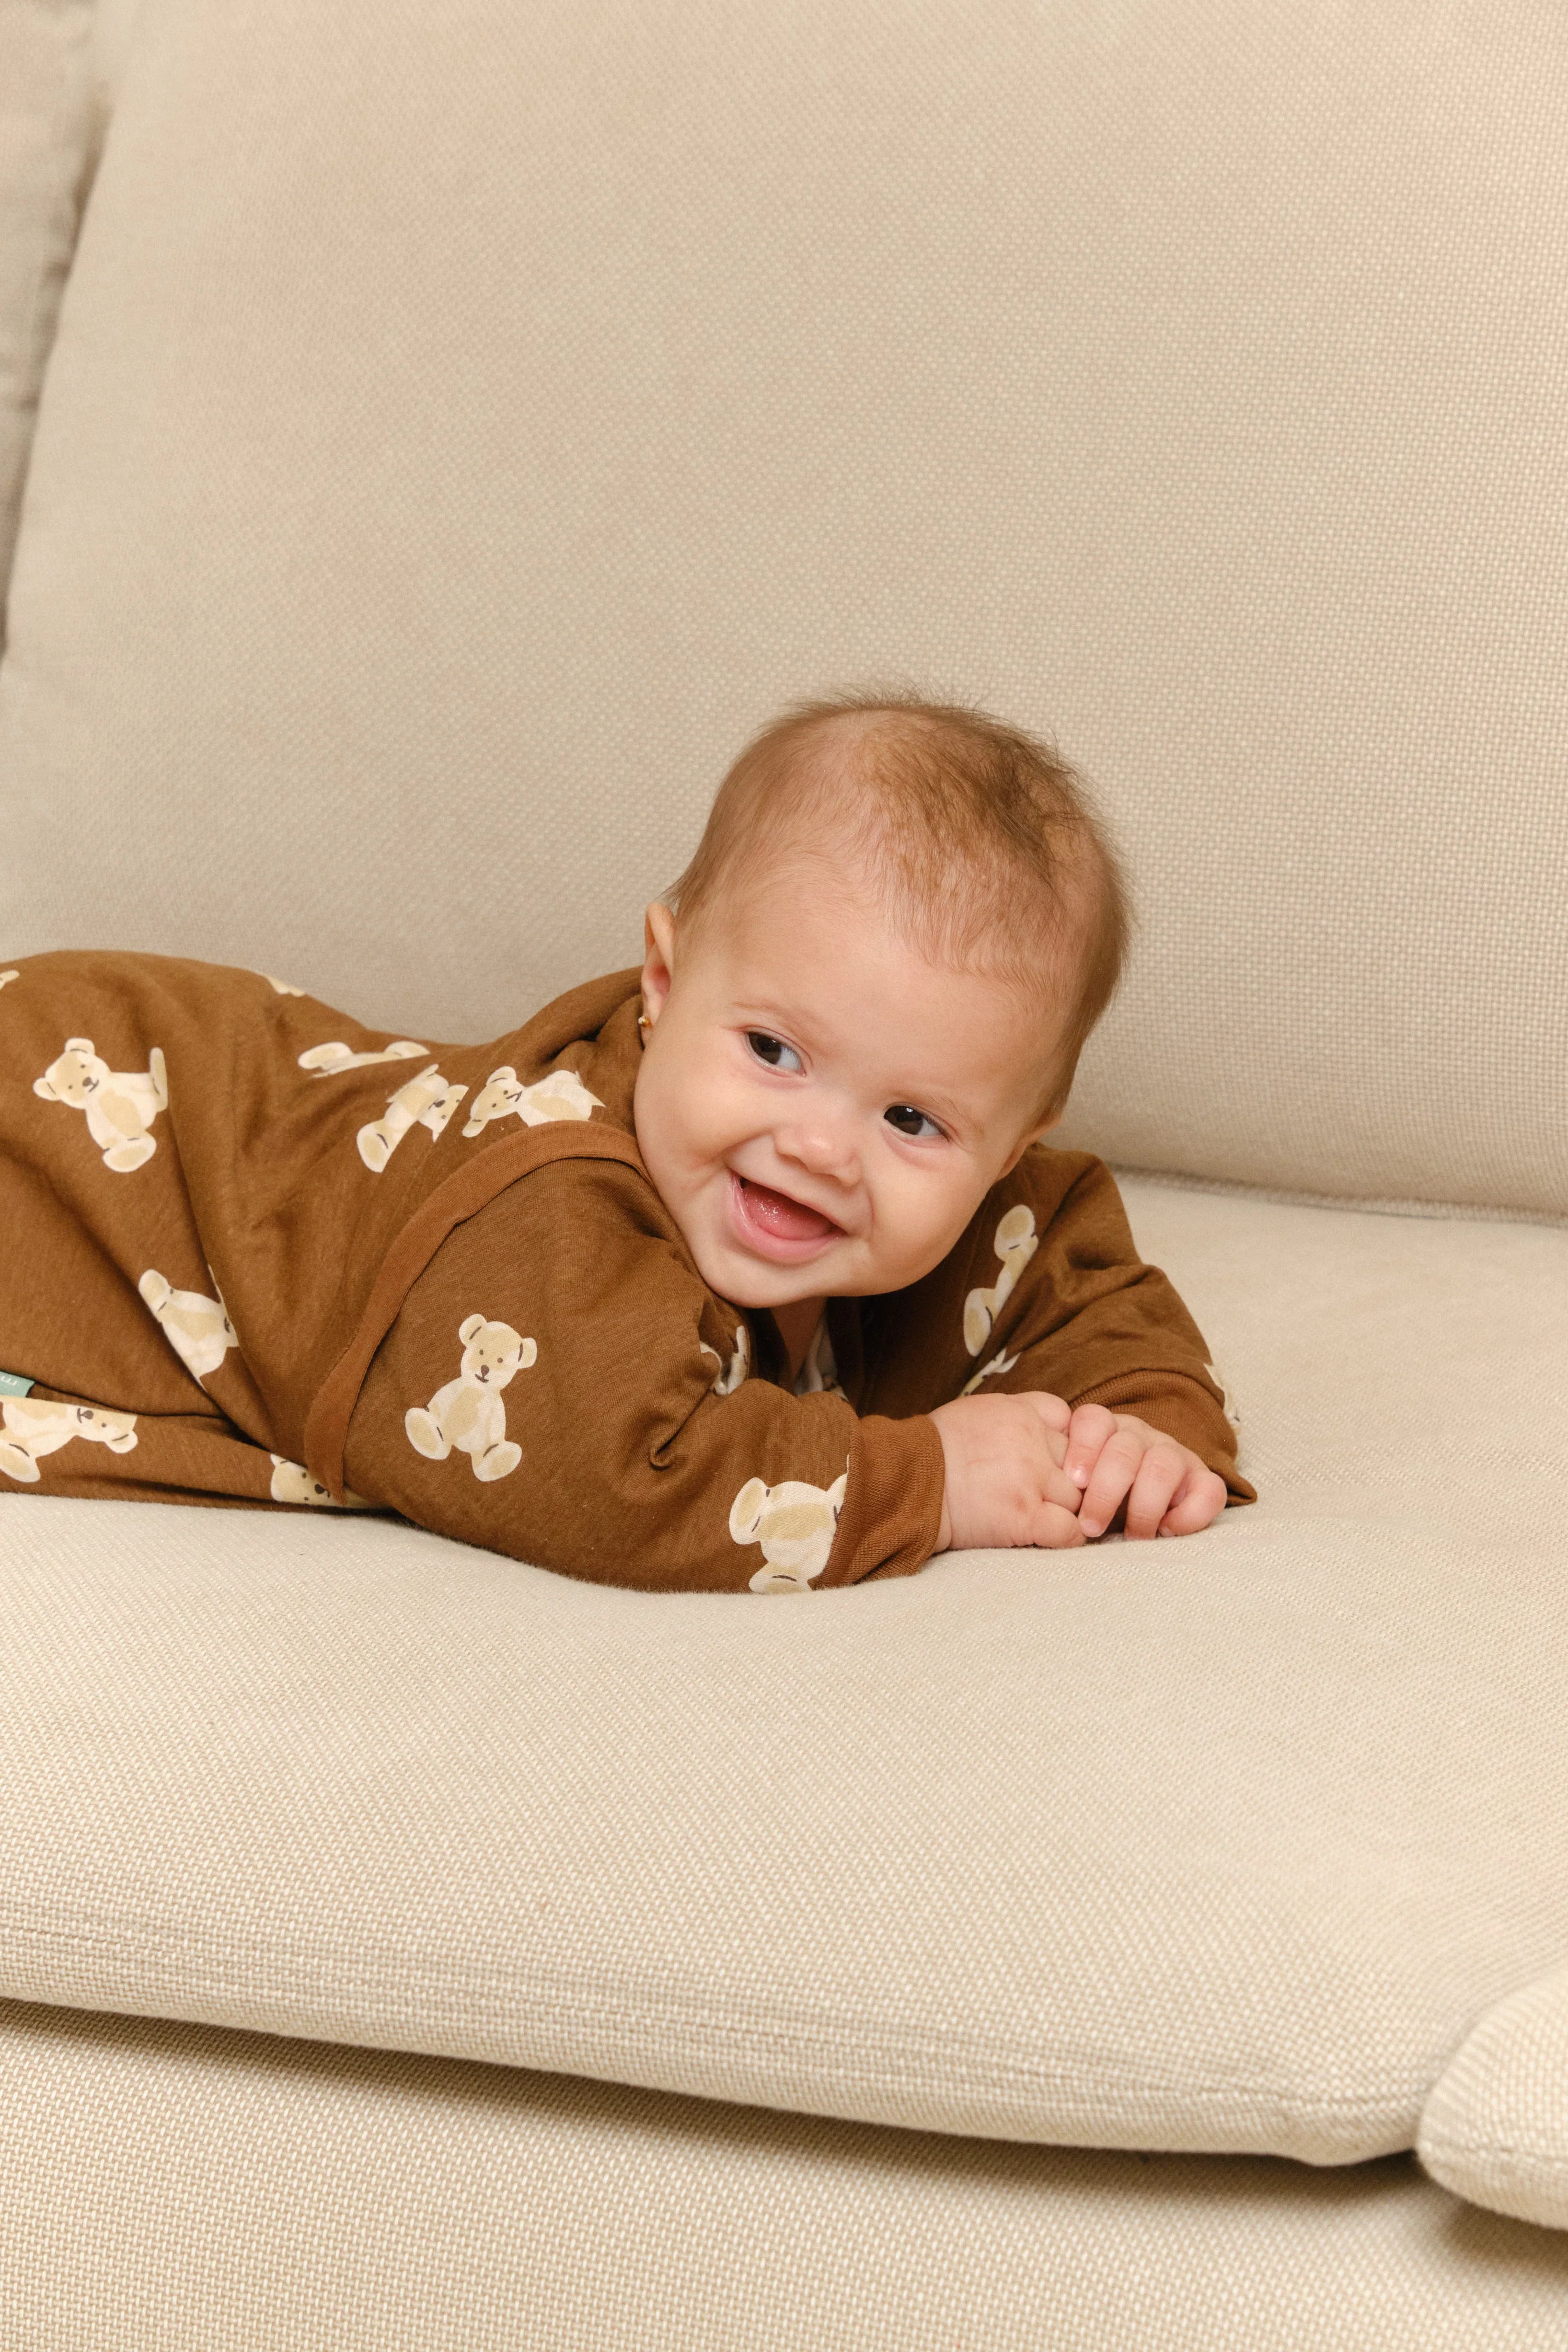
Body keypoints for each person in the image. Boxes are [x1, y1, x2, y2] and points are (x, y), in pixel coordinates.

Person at [0, 693, 1253, 1589]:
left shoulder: (966, 1199)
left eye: (911, 1119)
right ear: (663, 981)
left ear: (1012, 1142)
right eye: (774, 1052)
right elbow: (608, 1482)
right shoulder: (549, 1209)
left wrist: (1138, 1427)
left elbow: (1083, 1293)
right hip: (75, 1136)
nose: (821, 1147)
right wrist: (929, 1480)